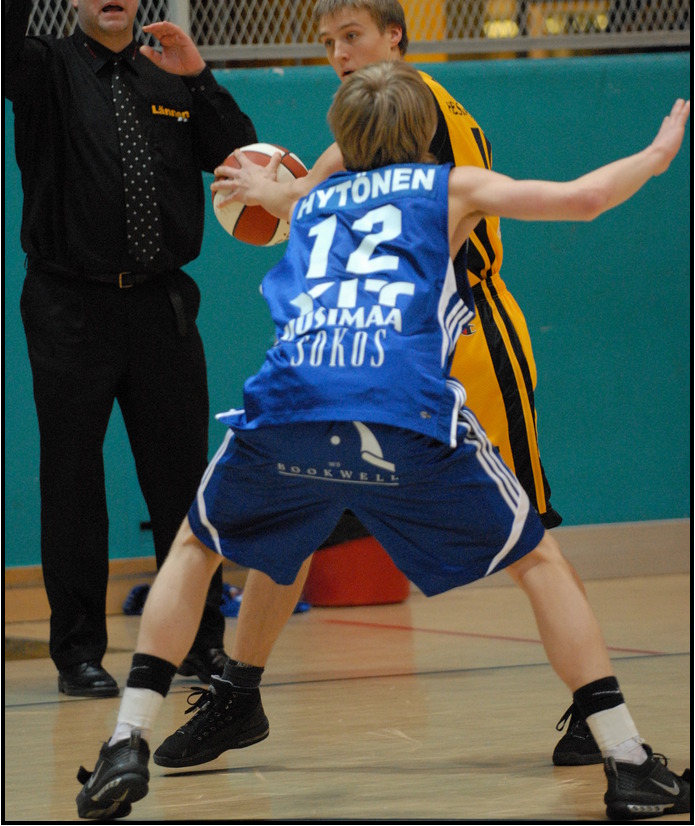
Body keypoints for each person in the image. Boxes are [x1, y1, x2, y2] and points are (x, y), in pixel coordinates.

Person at [74, 61, 690, 822]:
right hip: (399, 408)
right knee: (537, 560)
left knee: (197, 546)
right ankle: (626, 761)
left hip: (289, 405)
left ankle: (126, 740)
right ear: (425, 131)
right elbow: (584, 199)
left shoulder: (313, 200)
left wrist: (264, 186)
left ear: (341, 136)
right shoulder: (452, 186)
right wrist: (655, 155)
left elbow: (282, 198)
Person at [153, 0, 596, 770]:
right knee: (290, 526)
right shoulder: (372, 114)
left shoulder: (413, 110)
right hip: (374, 349)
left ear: (395, 37)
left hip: (465, 334)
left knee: (531, 532)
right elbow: (311, 192)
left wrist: (271, 193)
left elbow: (314, 195)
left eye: (351, 35)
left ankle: (597, 712)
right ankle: (239, 695)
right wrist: (278, 193)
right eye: (327, 43)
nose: (338, 54)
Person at [4, 0, 257, 696]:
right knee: (72, 482)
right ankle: (78, 653)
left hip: (161, 307)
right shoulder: (44, 67)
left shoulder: (167, 77)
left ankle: (199, 645)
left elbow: (241, 157)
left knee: (183, 481)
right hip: (69, 306)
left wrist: (199, 75)